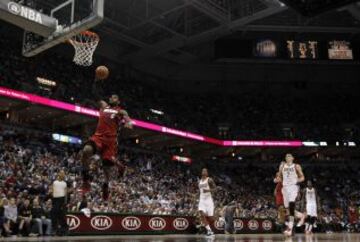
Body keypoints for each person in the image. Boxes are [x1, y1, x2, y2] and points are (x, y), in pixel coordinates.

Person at [80, 82, 132, 200]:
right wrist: (97, 80)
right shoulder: (104, 106)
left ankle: (106, 185)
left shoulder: (120, 111)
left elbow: (127, 117)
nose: (112, 98)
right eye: (111, 97)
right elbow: (95, 93)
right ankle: (85, 179)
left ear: (118, 101)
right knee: (86, 150)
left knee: (106, 169)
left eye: (115, 97)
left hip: (110, 142)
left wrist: (128, 122)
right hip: (98, 137)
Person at [275, 153, 305, 237]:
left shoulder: (297, 166)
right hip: (285, 188)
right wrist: (276, 179)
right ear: (285, 158)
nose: (288, 157)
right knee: (287, 209)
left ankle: (290, 228)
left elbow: (302, 177)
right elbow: (280, 177)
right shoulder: (282, 166)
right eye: (286, 156)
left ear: (293, 158)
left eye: (289, 156)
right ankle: (302, 216)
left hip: (293, 187)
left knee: (291, 206)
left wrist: (296, 181)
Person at [198, 168, 216, 236]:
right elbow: (200, 191)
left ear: (207, 173)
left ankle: (220, 219)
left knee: (211, 218)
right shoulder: (199, 181)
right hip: (202, 200)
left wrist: (208, 191)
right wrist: (194, 195)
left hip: (209, 200)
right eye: (203, 170)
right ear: (201, 172)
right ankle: (209, 231)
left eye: (205, 171)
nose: (204, 171)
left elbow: (215, 189)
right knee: (202, 215)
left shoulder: (209, 180)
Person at [51, 170, 68, 236]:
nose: (63, 175)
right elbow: (52, 191)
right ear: (59, 174)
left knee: (61, 216)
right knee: (55, 215)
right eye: (62, 173)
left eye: (64, 174)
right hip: (55, 200)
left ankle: (63, 230)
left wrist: (65, 202)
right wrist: (53, 200)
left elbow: (66, 193)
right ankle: (56, 230)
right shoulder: (54, 182)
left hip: (62, 200)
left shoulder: (65, 183)